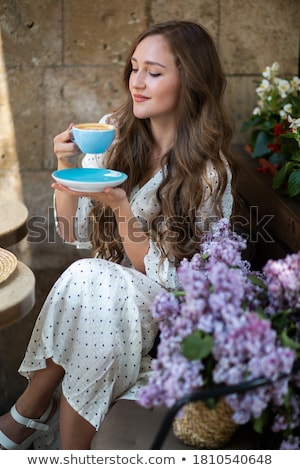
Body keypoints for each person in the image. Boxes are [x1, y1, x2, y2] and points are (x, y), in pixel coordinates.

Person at [0, 20, 236, 450]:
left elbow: (174, 281)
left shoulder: (208, 173)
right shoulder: (115, 132)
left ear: (191, 81)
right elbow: (71, 230)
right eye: (133, 68)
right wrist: (67, 164)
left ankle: (28, 412)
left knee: (92, 275)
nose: (137, 83)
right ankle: (63, 445)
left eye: (154, 72)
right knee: (91, 275)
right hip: (104, 299)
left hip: (164, 307)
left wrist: (123, 208)